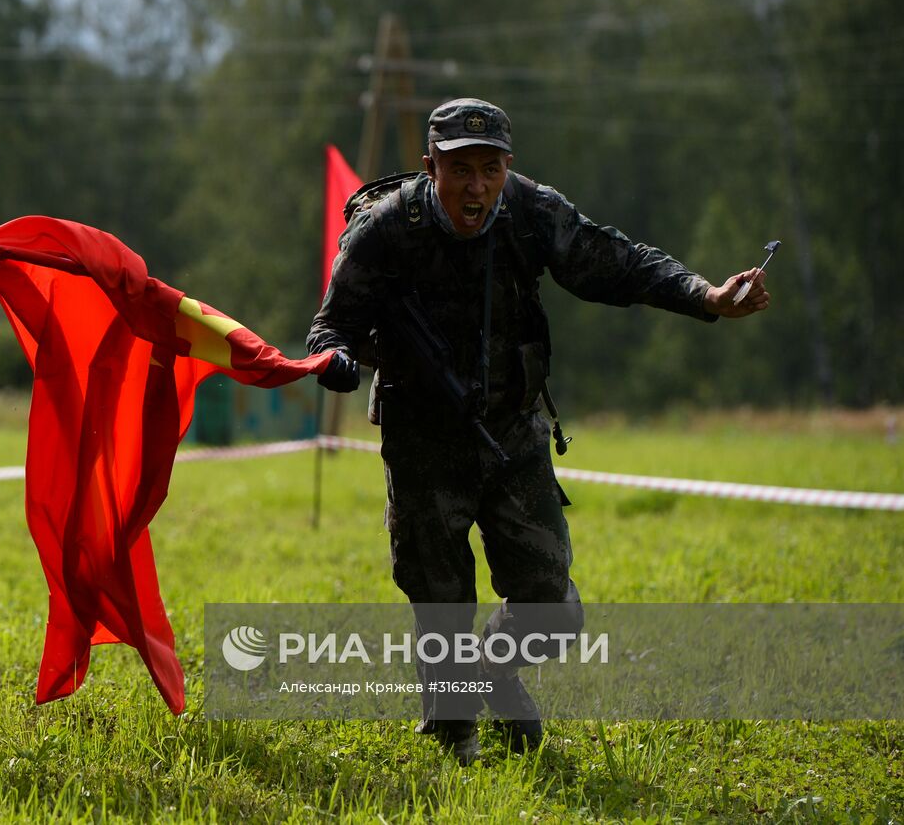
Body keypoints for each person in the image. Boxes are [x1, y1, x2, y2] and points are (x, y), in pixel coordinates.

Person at [308, 98, 769, 765]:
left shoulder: (528, 210)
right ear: (430, 165)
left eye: (489, 169)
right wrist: (338, 363)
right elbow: (330, 326)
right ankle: (455, 728)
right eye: (459, 170)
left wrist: (705, 296)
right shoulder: (386, 230)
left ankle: (492, 674)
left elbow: (616, 263)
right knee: (440, 599)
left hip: (511, 431)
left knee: (552, 607)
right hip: (423, 438)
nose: (475, 188)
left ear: (508, 166)